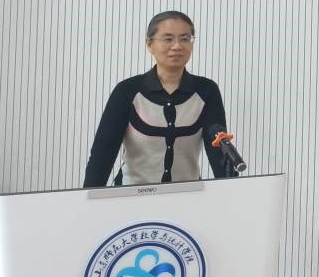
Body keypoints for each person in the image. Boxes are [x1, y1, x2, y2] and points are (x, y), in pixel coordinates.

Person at [82, 11, 234, 188]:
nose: (177, 46)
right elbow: (103, 153)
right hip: (131, 195)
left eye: (185, 39)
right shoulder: (127, 91)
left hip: (187, 194)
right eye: (168, 39)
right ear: (149, 44)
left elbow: (219, 153)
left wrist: (231, 194)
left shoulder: (206, 90)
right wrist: (88, 198)